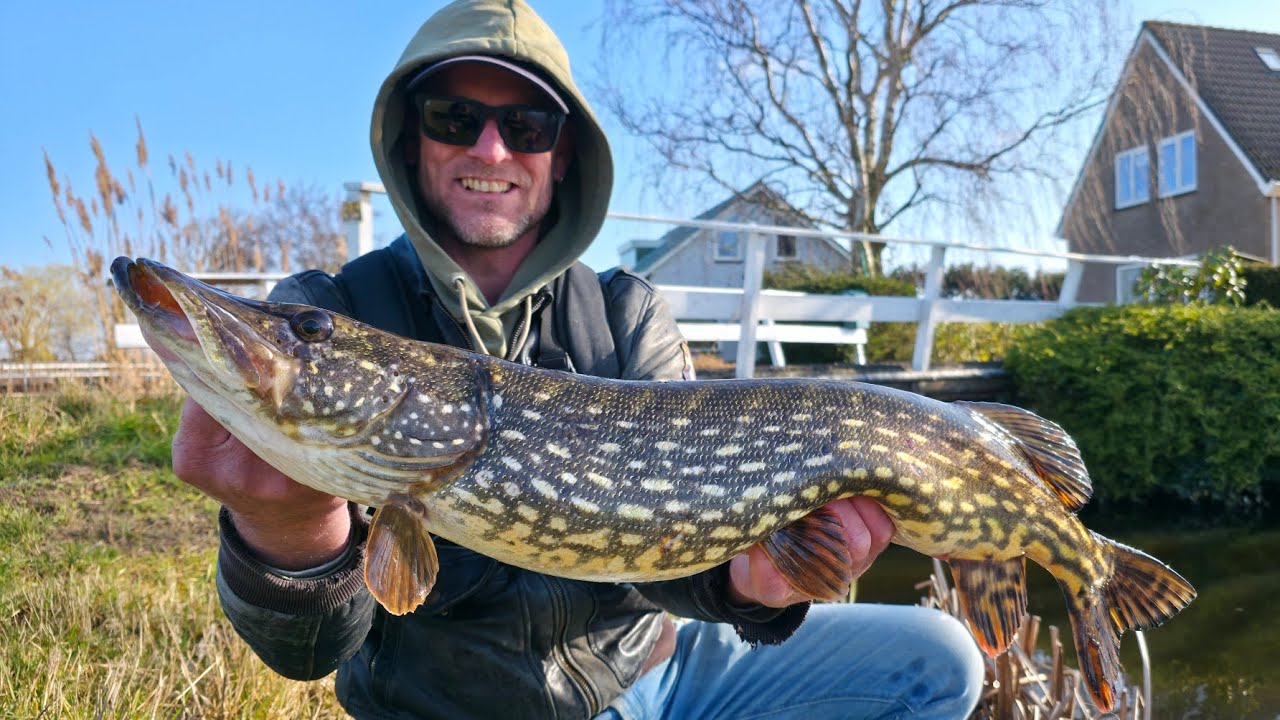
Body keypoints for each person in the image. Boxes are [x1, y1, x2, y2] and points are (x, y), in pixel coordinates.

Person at [171, 0, 985, 717]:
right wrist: (286, 535)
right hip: (445, 706)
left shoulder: (625, 315)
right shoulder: (338, 308)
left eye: (526, 127)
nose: (491, 151)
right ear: (410, 138)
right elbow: (307, 657)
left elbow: (668, 556)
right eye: (456, 117)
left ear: (561, 155)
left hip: (654, 676)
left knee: (939, 661)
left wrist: (752, 588)